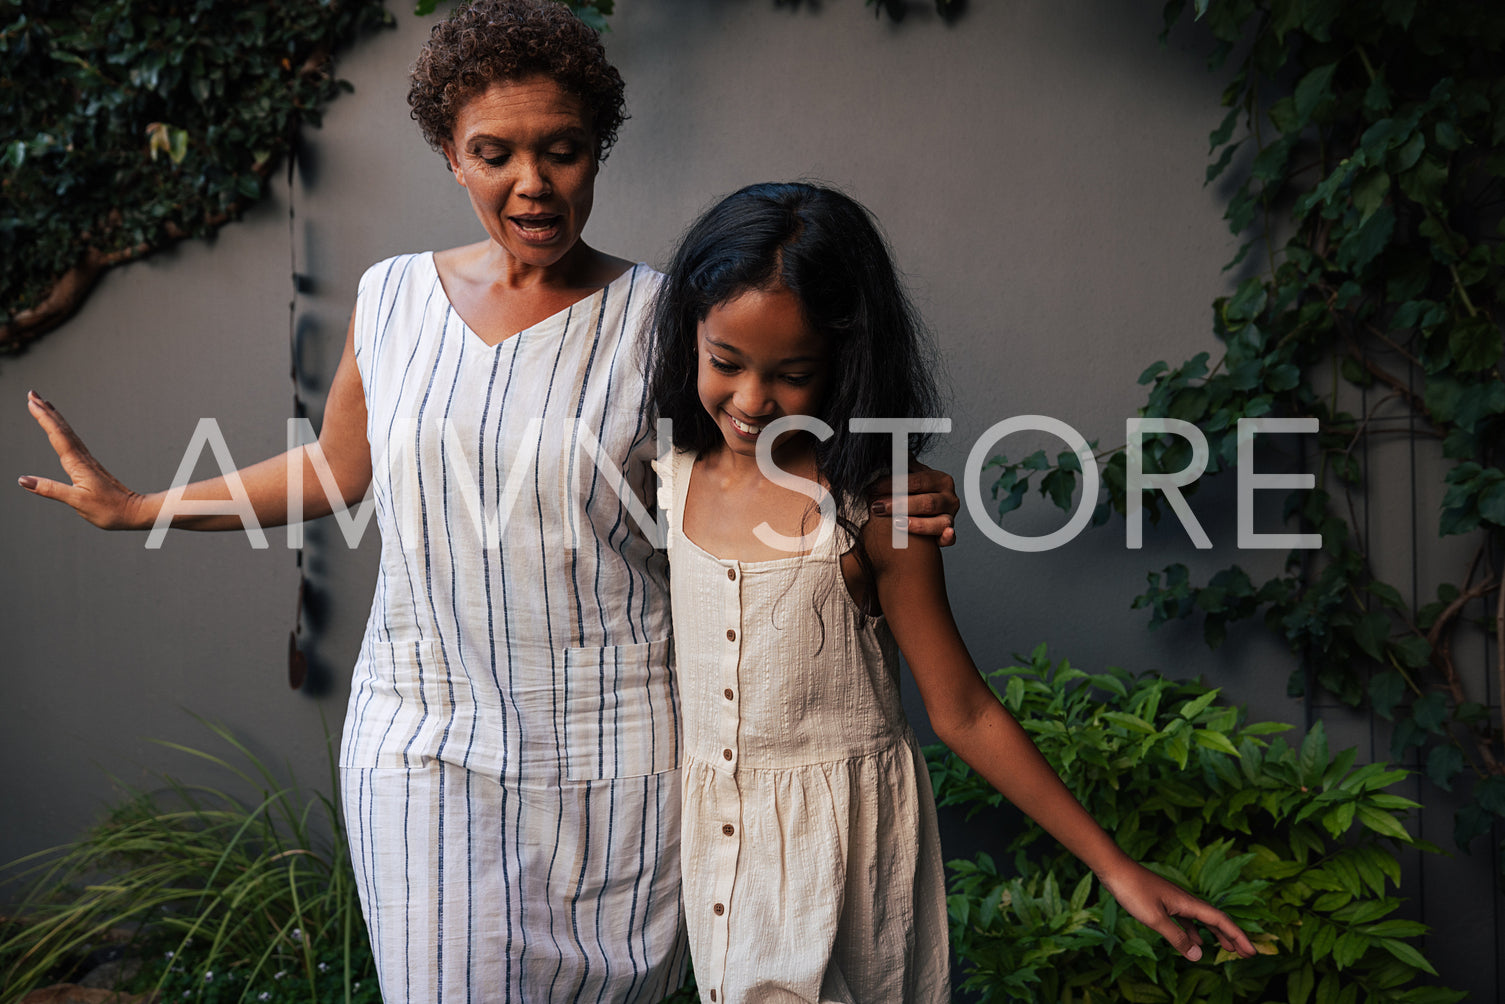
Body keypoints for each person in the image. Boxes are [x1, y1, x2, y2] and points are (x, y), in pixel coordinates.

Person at [16, 4, 958, 1002]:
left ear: (598, 149)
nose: (532, 182)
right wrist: (140, 507)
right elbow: (336, 472)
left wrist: (881, 476)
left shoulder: (661, 316)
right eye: (493, 152)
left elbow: (760, 448)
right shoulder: (390, 300)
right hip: (423, 736)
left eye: (562, 149)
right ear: (448, 155)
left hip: (621, 751)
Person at [644, 181, 1257, 1003]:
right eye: (725, 363)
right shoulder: (666, 473)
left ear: (846, 363)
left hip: (841, 857)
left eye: (792, 374)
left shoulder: (879, 507)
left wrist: (1116, 869)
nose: (751, 401)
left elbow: (962, 709)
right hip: (714, 854)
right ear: (689, 335)